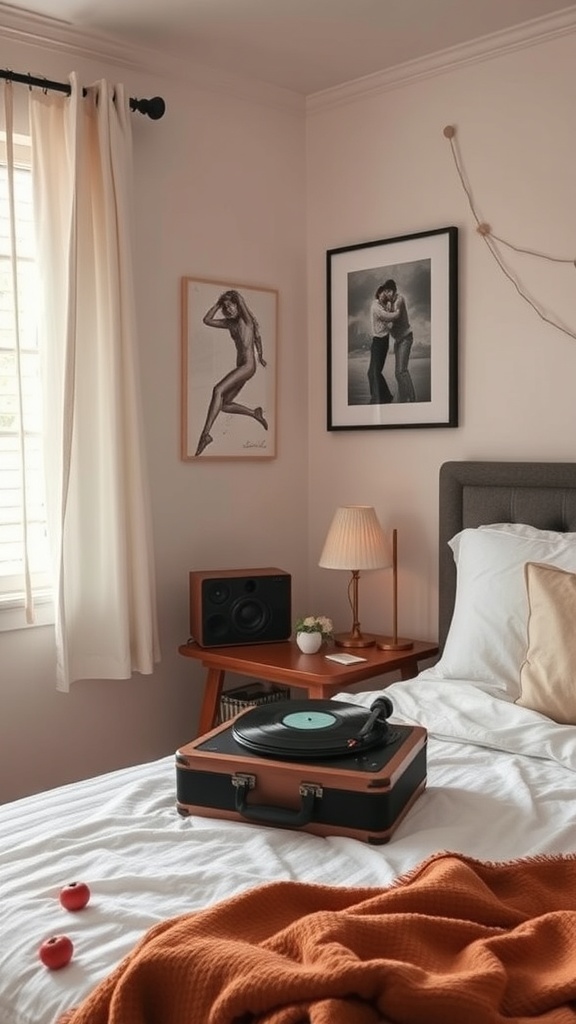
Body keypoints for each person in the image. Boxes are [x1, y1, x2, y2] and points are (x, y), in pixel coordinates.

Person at [195, 290, 268, 456]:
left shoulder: (246, 320)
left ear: (237, 305)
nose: (228, 310)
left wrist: (260, 357)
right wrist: (218, 304)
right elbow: (207, 320)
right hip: (241, 366)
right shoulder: (230, 324)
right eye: (225, 307)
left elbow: (256, 336)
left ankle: (205, 435)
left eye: (230, 306)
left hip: (248, 366)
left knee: (217, 390)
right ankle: (254, 413)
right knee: (223, 404)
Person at [380, 279, 416, 403]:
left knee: (402, 371)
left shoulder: (399, 300)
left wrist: (383, 318)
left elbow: (395, 317)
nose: (387, 294)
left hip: (406, 338)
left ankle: (411, 399)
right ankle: (403, 399)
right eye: (385, 291)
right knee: (398, 372)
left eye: (389, 291)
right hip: (398, 341)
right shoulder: (389, 303)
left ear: (394, 290)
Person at [367, 284, 394, 404]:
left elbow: (390, 323)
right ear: (378, 294)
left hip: (382, 340)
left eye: (385, 293)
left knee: (375, 371)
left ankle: (378, 398)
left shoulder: (387, 306)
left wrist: (391, 306)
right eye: (381, 292)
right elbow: (386, 317)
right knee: (372, 372)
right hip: (377, 340)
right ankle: (383, 396)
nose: (383, 294)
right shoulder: (375, 305)